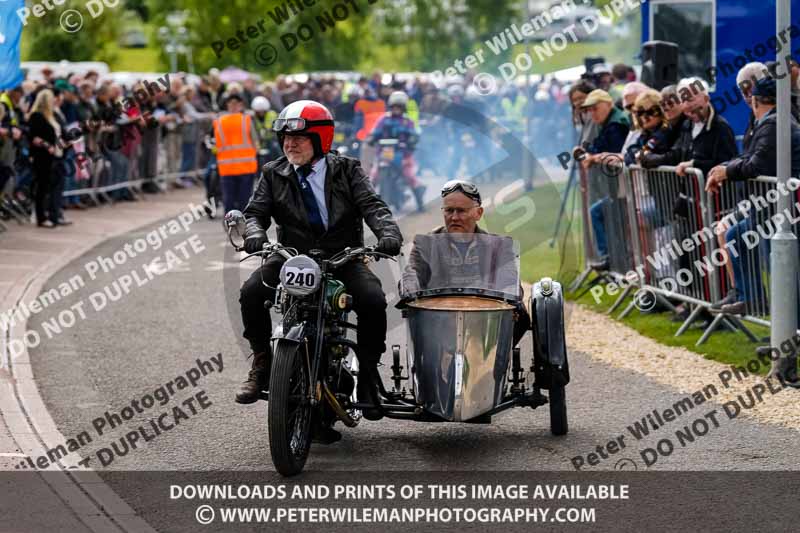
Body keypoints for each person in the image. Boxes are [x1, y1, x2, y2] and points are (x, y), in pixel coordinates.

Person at [237, 100, 403, 432]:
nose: (289, 143)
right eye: (285, 137)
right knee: (251, 292)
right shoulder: (273, 172)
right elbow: (255, 213)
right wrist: (255, 233)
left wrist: (388, 233)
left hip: (342, 257)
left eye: (298, 138)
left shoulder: (347, 169)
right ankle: (262, 363)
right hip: (291, 257)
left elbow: (373, 205)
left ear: (321, 139)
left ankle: (368, 375)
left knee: (372, 299)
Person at [705, 77, 800, 315]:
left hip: (781, 209)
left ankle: (789, 329)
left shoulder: (773, 124)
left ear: (756, 101)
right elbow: (749, 158)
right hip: (771, 207)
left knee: (786, 272)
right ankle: (754, 299)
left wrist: (726, 171)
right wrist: (723, 169)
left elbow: (756, 165)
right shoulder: (772, 122)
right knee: (735, 234)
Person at [403, 180, 531, 347]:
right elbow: (412, 272)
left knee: (521, 315)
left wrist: (509, 297)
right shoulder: (426, 243)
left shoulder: (499, 246)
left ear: (478, 213)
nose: (454, 217)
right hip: (436, 319)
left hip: (485, 319)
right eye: (449, 210)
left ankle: (497, 360)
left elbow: (509, 279)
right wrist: (410, 289)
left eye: (462, 211)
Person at [573, 89, 630, 267]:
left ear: (608, 104)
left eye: (595, 108)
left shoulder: (617, 123)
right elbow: (598, 146)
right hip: (618, 187)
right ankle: (610, 261)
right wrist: (586, 154)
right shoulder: (607, 123)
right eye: (589, 110)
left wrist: (593, 157)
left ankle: (615, 262)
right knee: (601, 214)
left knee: (614, 223)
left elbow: (616, 152)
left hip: (626, 187)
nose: (592, 113)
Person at [366, 90, 426, 211]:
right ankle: (366, 205)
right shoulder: (383, 119)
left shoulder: (407, 121)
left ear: (403, 108)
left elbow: (414, 134)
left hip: (403, 154)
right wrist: (372, 138)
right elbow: (375, 132)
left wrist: (412, 140)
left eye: (399, 107)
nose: (396, 109)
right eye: (394, 107)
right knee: (373, 176)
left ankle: (420, 202)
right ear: (390, 106)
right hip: (384, 153)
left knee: (410, 175)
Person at [213, 93, 259, 212]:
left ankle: (230, 225)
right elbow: (255, 142)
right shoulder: (246, 120)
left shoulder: (218, 121)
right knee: (244, 200)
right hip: (246, 167)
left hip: (226, 168)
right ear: (241, 105)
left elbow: (215, 144)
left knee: (229, 199)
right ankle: (244, 225)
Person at [26, 89, 62, 228]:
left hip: (52, 155)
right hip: (41, 155)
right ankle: (40, 216)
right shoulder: (37, 116)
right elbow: (33, 137)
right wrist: (48, 145)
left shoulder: (50, 116)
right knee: (42, 186)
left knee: (48, 186)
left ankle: (47, 213)